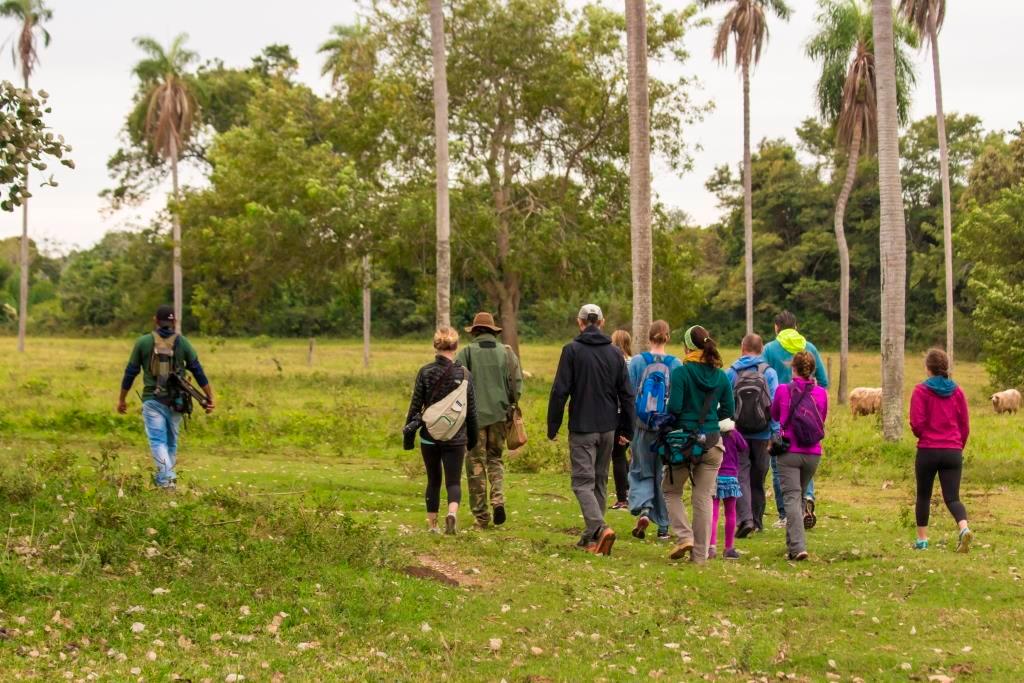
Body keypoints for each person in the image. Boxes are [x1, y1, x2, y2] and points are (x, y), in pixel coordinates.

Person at [548, 304, 635, 555]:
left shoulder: (572, 351)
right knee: (598, 480)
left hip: (583, 427)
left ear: (580, 322)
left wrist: (553, 425)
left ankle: (599, 528)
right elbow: (627, 395)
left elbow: (559, 391)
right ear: (602, 322)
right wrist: (627, 429)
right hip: (609, 427)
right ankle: (590, 538)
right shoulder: (616, 354)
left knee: (581, 482)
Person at [117, 305, 215, 490]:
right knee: (171, 442)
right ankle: (167, 481)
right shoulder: (183, 342)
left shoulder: (143, 342)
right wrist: (209, 397)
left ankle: (166, 482)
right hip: (177, 402)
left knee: (157, 441)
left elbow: (130, 372)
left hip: (152, 400)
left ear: (155, 320)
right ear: (174, 322)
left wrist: (122, 399)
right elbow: (197, 370)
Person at [664, 325, 735, 564]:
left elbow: (673, 408)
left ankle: (684, 536)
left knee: (671, 490)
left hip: (684, 442)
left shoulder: (681, 373)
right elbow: (729, 411)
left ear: (688, 347)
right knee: (703, 497)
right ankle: (700, 557)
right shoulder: (721, 375)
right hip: (713, 443)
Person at [404, 327, 479, 535]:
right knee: (453, 481)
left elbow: (415, 405)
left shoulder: (425, 372)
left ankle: (432, 525)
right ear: (456, 347)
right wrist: (471, 440)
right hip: (456, 437)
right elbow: (471, 412)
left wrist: (409, 436)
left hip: (429, 436)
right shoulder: (464, 374)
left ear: (435, 346)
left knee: (433, 480)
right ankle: (452, 513)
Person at [456, 312, 523, 529]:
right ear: (493, 331)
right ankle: (498, 500)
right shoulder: (506, 353)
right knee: (495, 459)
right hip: (499, 416)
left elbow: (456, 383)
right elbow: (517, 385)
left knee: (475, 462)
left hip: (473, 418)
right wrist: (508, 404)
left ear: (474, 331)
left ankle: (481, 517)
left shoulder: (466, 353)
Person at [763, 311, 828, 530]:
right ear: (796, 326)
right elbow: (824, 383)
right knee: (805, 455)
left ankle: (785, 515)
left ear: (776, 328)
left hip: (780, 418)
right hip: (809, 419)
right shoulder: (810, 348)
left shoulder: (770, 349)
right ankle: (807, 497)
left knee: (780, 466)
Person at [909, 349, 973, 552]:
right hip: (953, 451)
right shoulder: (958, 392)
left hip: (928, 450)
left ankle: (922, 541)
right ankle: (963, 529)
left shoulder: (920, 391)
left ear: (927, 368)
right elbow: (965, 426)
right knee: (953, 498)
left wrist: (925, 435)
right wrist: (956, 446)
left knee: (924, 496)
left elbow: (916, 424)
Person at [770, 351, 828, 561]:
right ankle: (792, 547)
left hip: (789, 452)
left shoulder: (783, 390)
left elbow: (775, 415)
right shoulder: (822, 393)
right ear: (812, 370)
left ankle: (798, 547)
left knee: (792, 499)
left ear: (792, 368)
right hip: (813, 453)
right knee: (800, 497)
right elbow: (822, 418)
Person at [627, 321, 680, 542]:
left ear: (649, 338)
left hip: (641, 427)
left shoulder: (637, 362)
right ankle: (664, 528)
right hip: (665, 429)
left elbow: (628, 396)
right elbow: (678, 399)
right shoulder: (675, 364)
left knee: (641, 470)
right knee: (663, 476)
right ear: (667, 338)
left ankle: (645, 509)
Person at [726, 334, 780, 537]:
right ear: (761, 349)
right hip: (763, 433)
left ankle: (745, 518)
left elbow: (724, 402)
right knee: (758, 478)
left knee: (741, 475)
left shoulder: (731, 372)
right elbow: (774, 406)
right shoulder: (769, 372)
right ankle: (757, 521)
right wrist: (776, 433)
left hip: (737, 432)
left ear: (742, 347)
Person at [709, 418, 747, 560]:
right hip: (731, 477)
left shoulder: (712, 433)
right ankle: (729, 548)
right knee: (730, 513)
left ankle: (711, 546)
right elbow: (744, 446)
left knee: (713, 513)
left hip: (715, 476)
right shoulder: (733, 433)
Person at [609, 329, 633, 510]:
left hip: (617, 413)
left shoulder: (614, 363)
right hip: (635, 414)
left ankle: (622, 497)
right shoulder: (635, 362)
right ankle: (633, 488)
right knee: (632, 454)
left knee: (617, 455)